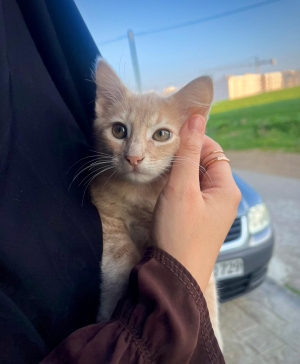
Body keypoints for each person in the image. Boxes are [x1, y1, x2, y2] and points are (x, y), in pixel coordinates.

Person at [0, 0, 240, 363]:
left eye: (161, 134)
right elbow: (113, 223)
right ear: (103, 113)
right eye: (120, 130)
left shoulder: (180, 188)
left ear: (193, 124)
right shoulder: (104, 182)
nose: (134, 153)